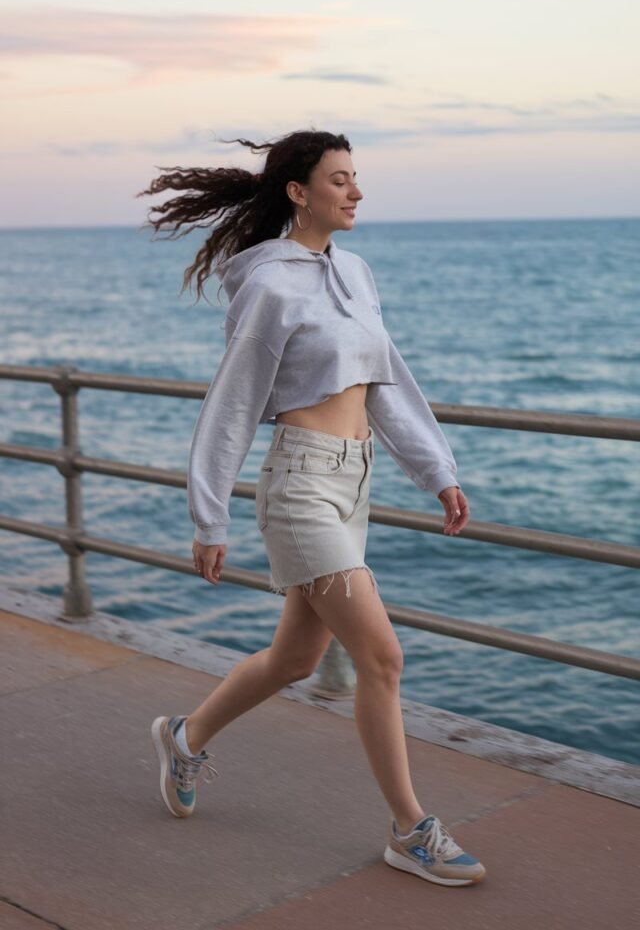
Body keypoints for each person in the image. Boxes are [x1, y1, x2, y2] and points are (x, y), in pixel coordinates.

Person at [137, 129, 485, 888]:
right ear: (299, 192)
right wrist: (210, 517)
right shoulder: (269, 286)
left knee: (296, 658)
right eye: (339, 179)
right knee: (382, 656)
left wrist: (437, 471)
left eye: (357, 178)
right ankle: (410, 829)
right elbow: (232, 403)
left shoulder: (355, 273)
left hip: (355, 484)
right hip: (299, 487)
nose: (355, 191)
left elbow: (385, 381)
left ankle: (184, 737)